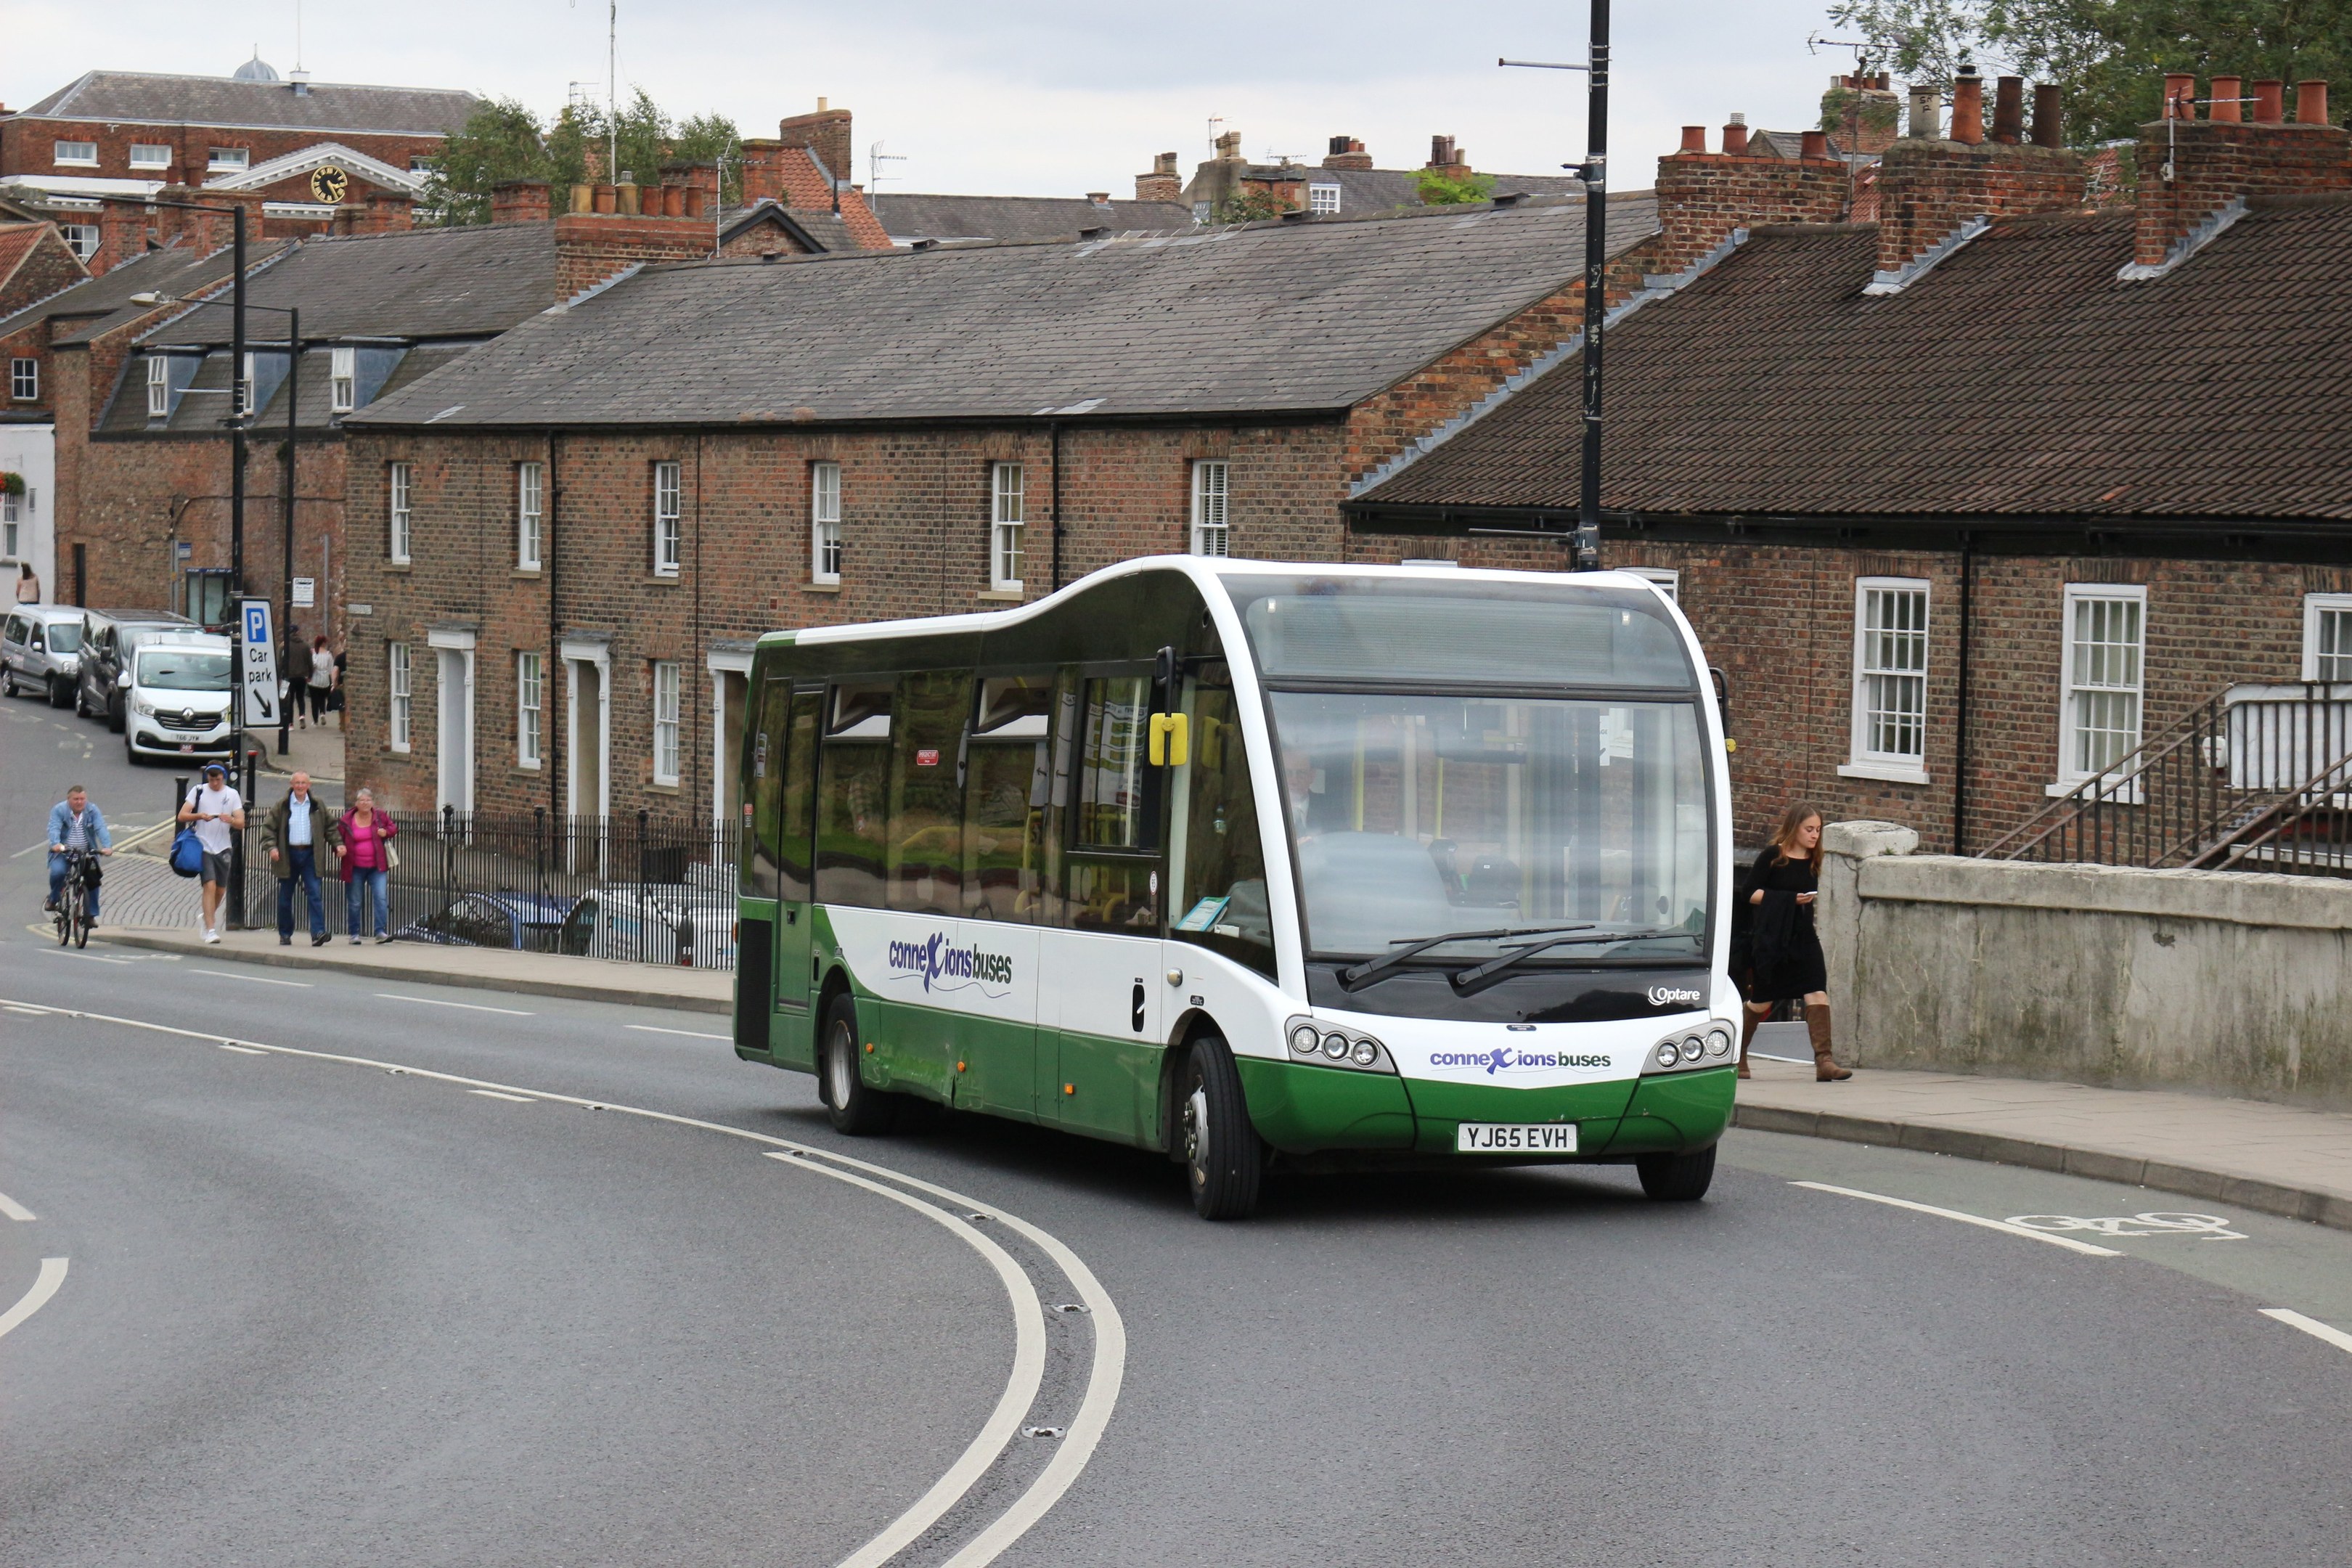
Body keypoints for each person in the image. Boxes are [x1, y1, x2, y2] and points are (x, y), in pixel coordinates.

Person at [1736, 805, 1851, 1082]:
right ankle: (1737, 1055)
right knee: (1761, 1002)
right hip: (1773, 940)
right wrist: (1788, 899)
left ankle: (1824, 1061)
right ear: (1794, 828)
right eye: (1809, 829)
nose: (1814, 836)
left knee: (1817, 992)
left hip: (1803, 937)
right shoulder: (1772, 857)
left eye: (1818, 830)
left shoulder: (1814, 858)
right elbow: (1749, 893)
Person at [261, 770, 341, 947]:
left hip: (310, 855)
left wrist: (338, 845)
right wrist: (272, 847)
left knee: (314, 893)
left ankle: (318, 933)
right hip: (287, 855)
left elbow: (330, 827)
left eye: (303, 783)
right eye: (296, 783)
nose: (300, 786)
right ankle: (285, 933)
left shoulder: (317, 805)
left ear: (309, 785)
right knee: (285, 897)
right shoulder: (282, 805)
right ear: (291, 785)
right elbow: (268, 828)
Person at [178, 761, 246, 944]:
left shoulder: (232, 794)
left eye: (217, 779)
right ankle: (211, 929)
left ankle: (206, 917)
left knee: (221, 890)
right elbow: (182, 815)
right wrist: (199, 816)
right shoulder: (198, 791)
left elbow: (241, 823)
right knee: (209, 885)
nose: (214, 783)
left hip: (223, 847)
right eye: (211, 779)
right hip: (203, 845)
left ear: (223, 777)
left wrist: (230, 819)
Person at [338, 787, 398, 944]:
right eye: (362, 800)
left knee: (381, 897)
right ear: (356, 803)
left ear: (373, 802)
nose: (365, 803)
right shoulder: (346, 820)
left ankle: (380, 932)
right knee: (355, 901)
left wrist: (386, 832)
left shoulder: (380, 816)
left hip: (377, 866)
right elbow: (337, 839)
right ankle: (354, 934)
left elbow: (393, 828)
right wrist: (338, 848)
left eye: (368, 800)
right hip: (354, 867)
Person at [46, 784, 114, 919]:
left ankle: (91, 915)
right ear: (68, 800)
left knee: (93, 880)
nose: (80, 802)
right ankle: (54, 899)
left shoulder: (92, 810)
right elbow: (54, 827)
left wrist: (107, 846)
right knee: (58, 873)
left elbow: (100, 827)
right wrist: (55, 844)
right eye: (76, 799)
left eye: (82, 799)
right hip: (65, 852)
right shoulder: (59, 810)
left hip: (86, 853)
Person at [284, 627, 314, 726]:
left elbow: (280, 663)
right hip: (301, 676)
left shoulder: (284, 645)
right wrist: (310, 675)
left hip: (289, 676)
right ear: (297, 633)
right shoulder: (305, 646)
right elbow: (310, 663)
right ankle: (302, 715)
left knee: (290, 700)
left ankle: (290, 723)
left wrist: (279, 676)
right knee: (300, 698)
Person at [307, 633, 334, 727]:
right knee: (322, 698)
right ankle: (322, 713)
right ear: (324, 643)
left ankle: (315, 721)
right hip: (325, 680)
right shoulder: (328, 654)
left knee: (314, 701)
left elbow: (312, 665)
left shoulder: (313, 653)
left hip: (314, 679)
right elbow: (331, 669)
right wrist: (332, 682)